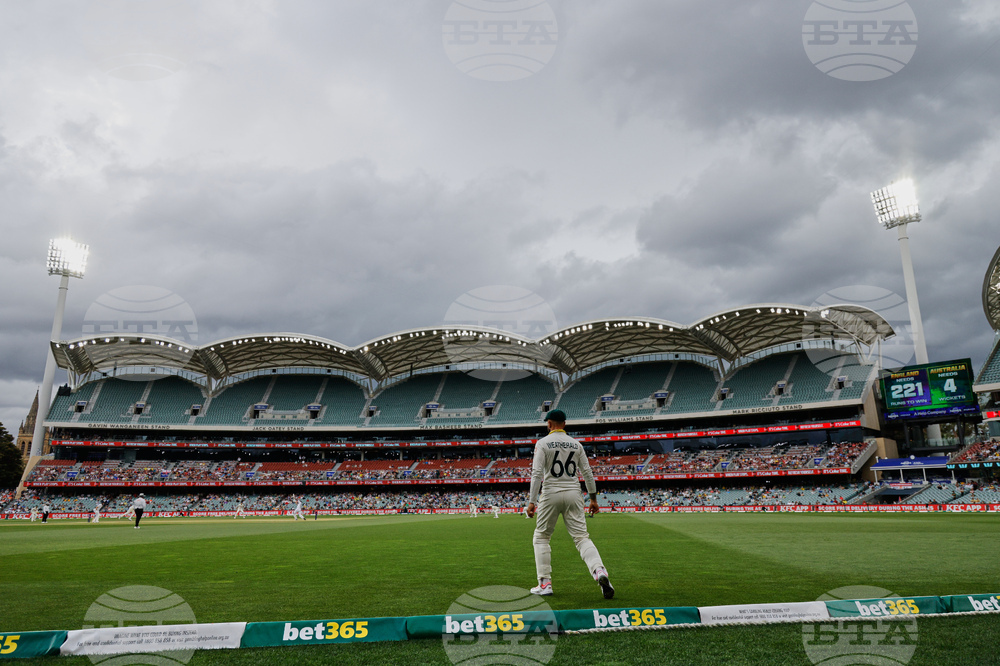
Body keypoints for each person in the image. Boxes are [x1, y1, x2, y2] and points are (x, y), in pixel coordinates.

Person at [526, 410, 613, 599]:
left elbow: (537, 474)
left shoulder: (542, 443)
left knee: (541, 537)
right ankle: (599, 571)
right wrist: (593, 499)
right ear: (564, 424)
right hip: (574, 492)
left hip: (550, 492)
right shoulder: (576, 444)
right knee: (582, 538)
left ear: (549, 424)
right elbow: (588, 473)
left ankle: (545, 583)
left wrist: (532, 502)